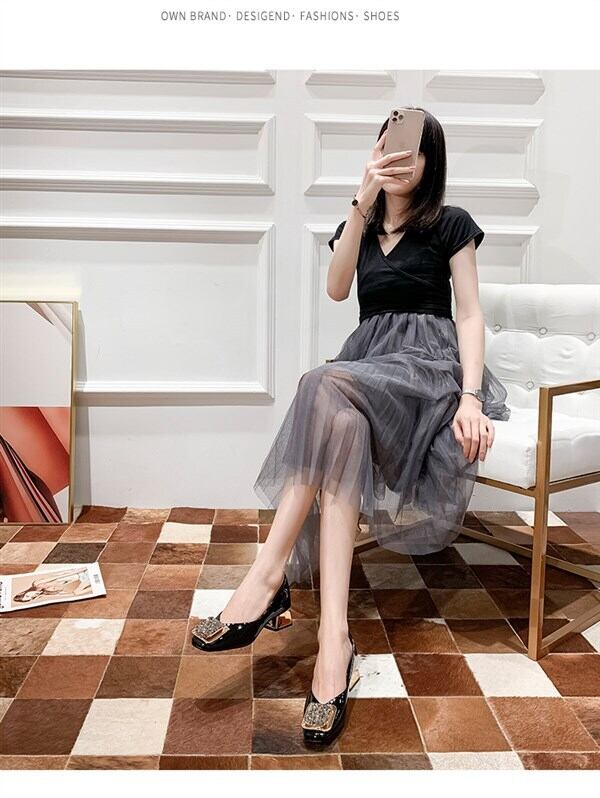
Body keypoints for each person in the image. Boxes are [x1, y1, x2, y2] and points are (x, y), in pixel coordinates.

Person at [191, 107, 511, 744]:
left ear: (431, 163)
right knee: (341, 428)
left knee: (318, 382)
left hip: (425, 369)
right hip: (368, 369)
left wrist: (471, 397)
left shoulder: (450, 223)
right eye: (391, 148)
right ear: (376, 152)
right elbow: (338, 290)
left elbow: (470, 315)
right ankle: (334, 645)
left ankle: (268, 575)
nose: (402, 162)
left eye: (415, 152)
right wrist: (362, 201)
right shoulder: (358, 224)